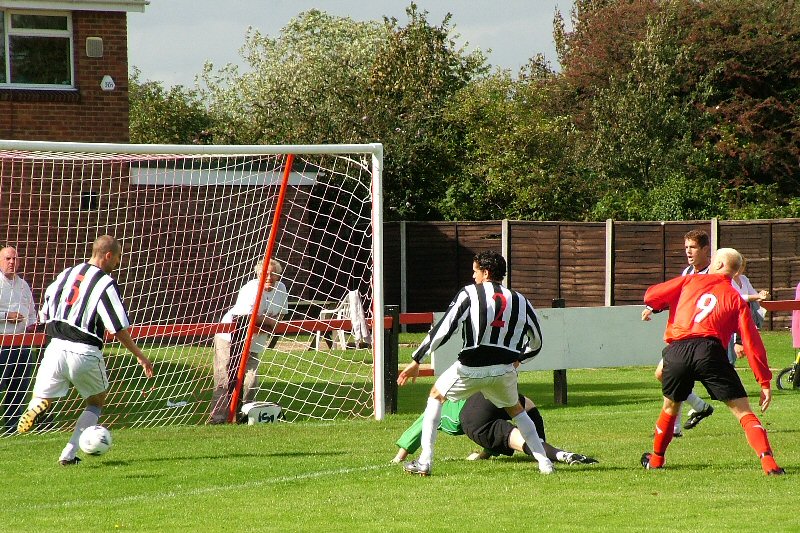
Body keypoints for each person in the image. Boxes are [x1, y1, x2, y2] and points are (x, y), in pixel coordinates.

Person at [397, 250, 553, 476]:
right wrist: (518, 358)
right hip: (503, 369)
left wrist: (416, 359)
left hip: (471, 366)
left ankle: (425, 461)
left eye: (475, 271)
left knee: (436, 396)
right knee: (517, 411)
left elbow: (444, 328)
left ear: (486, 272)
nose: (473, 276)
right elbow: (537, 343)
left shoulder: (470, 293)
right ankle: (545, 465)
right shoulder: (521, 300)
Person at [640, 248, 784, 475]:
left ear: (716, 264)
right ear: (735, 272)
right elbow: (751, 341)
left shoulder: (689, 281)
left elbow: (651, 295)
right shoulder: (736, 298)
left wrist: (658, 304)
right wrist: (764, 381)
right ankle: (769, 463)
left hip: (678, 349)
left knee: (670, 407)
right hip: (710, 351)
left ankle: (656, 459)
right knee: (743, 412)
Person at [17, 235, 154, 465]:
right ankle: (68, 455)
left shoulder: (66, 273)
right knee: (96, 401)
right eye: (118, 258)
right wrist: (140, 355)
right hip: (84, 350)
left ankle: (37, 404)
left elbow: (45, 309)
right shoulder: (105, 283)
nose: (118, 264)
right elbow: (117, 327)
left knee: (43, 395)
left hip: (54, 346)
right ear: (108, 255)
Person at [392, 392, 598, 466]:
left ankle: (550, 454)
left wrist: (398, 458)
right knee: (527, 405)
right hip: (492, 393)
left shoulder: (436, 411)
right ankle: (549, 451)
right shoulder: (457, 392)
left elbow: (416, 431)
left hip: (474, 414)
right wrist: (483, 455)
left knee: (510, 438)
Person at [643, 229, 715, 434]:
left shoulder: (713, 275)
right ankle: (696, 410)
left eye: (692, 247)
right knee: (668, 375)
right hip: (682, 333)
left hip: (701, 337)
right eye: (686, 248)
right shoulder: (687, 273)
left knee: (670, 376)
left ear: (705, 249)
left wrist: (736, 339)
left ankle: (680, 421)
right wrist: (653, 307)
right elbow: (675, 296)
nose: (688, 252)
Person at [209, 258, 288, 424]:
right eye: (265, 274)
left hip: (253, 343)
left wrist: (271, 322)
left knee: (251, 380)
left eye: (273, 274)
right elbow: (246, 317)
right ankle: (218, 419)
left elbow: (281, 314)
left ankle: (245, 416)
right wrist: (270, 322)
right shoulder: (251, 288)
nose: (269, 277)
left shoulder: (281, 289)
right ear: (258, 274)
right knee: (225, 379)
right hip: (229, 338)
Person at [0, 246, 37, 435]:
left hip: (22, 343)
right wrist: (7, 315)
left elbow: (31, 314)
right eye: (7, 258)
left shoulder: (24, 285)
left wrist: (32, 325)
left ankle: (12, 427)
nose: (11, 262)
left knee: (19, 388)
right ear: (0, 261)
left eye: (15, 259)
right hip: (1, 344)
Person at [727, 257, 769, 365]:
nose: (737, 269)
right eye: (735, 266)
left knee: (731, 359)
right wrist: (756, 296)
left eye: (740, 266)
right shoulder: (728, 280)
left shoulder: (744, 279)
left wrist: (763, 295)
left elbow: (754, 294)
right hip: (731, 321)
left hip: (742, 319)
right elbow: (738, 297)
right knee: (728, 357)